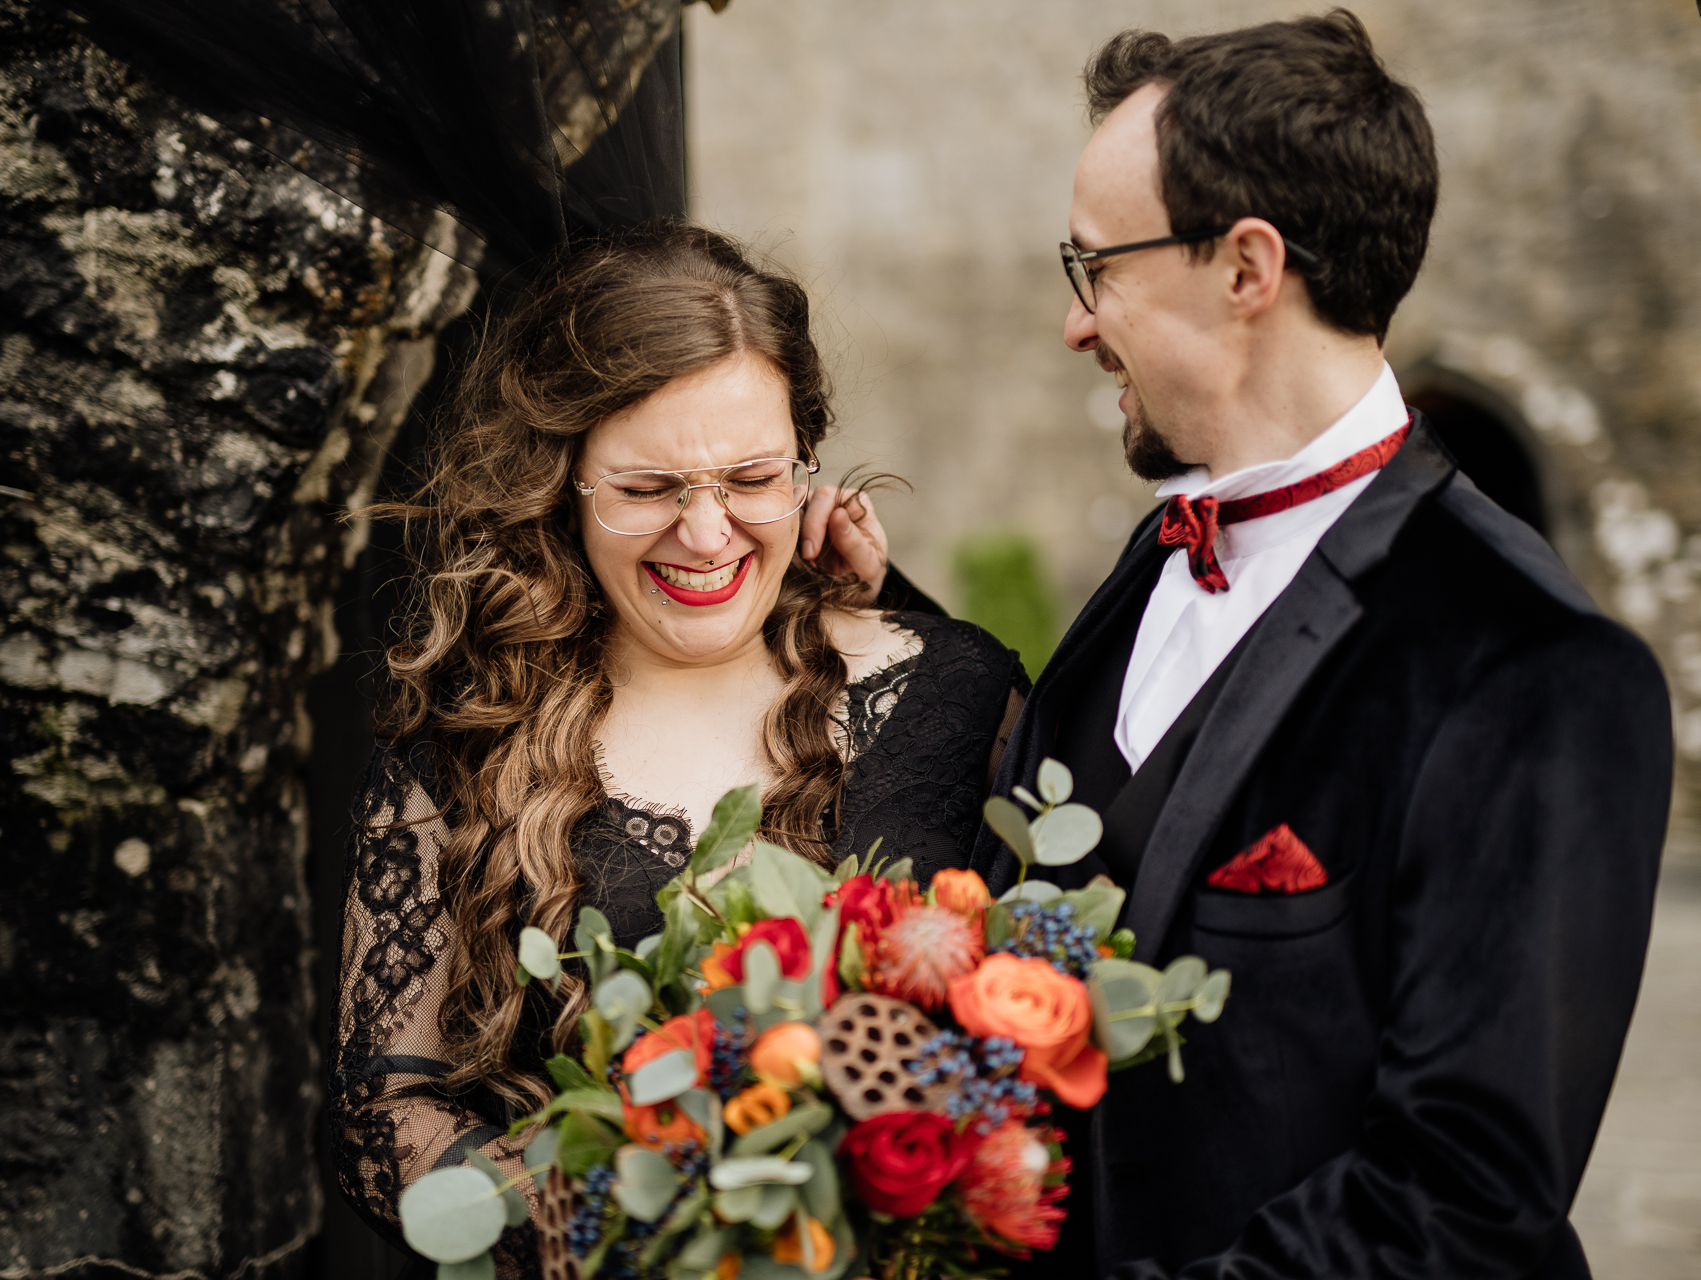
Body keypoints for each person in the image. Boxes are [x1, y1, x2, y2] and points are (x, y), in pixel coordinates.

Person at [972, 12, 1672, 1279]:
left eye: (1098, 268)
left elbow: (1464, 1197)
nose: (1078, 325)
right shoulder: (1153, 561)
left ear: (1247, 267)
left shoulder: (1538, 670)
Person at [327, 223, 1027, 1272]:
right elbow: (385, 1106)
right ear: (560, 481)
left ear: (806, 466)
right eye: (648, 488)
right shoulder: (465, 738)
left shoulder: (958, 694)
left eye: (750, 477)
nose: (706, 535)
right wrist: (618, 1227)